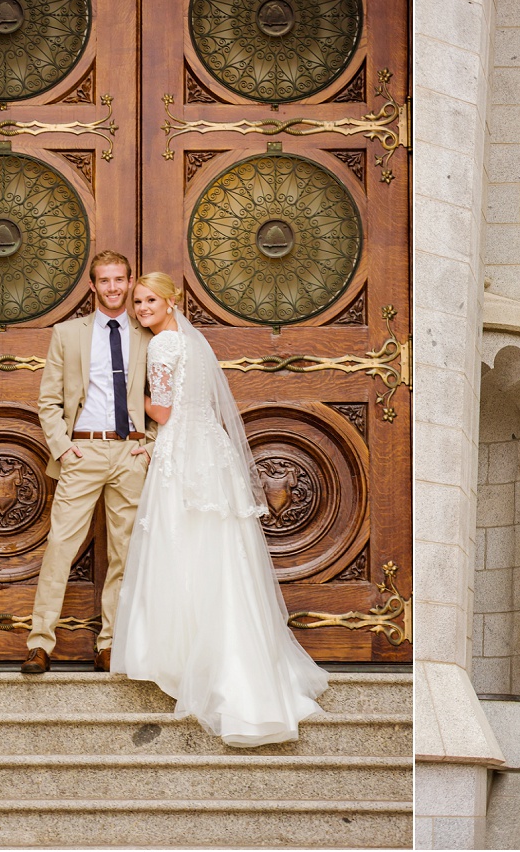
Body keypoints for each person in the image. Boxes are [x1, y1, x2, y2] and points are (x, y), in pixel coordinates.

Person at [111, 273, 328, 746]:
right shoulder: (192, 342)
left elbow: (164, 412)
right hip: (210, 451)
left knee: (182, 546)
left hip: (181, 454)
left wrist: (127, 399)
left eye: (150, 299)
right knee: (220, 553)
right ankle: (235, 659)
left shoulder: (163, 347)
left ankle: (187, 657)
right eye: (137, 301)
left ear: (171, 301)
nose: (142, 307)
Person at [23, 250, 154, 674]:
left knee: (125, 552)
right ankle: (40, 642)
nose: (114, 288)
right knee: (61, 546)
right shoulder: (68, 333)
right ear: (92, 286)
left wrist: (151, 443)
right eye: (105, 280)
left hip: (131, 452)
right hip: (83, 451)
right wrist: (62, 446)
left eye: (121, 280)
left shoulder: (148, 332)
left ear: (130, 281)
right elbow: (48, 399)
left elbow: (166, 396)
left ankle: (111, 644)